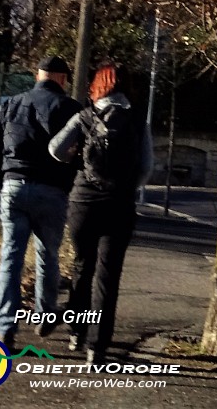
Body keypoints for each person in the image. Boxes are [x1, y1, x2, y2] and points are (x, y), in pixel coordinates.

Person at [50, 63, 153, 364]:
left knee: (82, 267)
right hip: (119, 204)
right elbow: (147, 167)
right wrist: (125, 186)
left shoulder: (84, 116)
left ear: (97, 86)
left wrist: (75, 159)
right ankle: (97, 346)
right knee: (108, 276)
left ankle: (75, 332)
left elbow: (55, 149)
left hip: (83, 202)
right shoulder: (136, 121)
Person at [0, 54, 80, 350]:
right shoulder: (71, 109)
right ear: (62, 79)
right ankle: (46, 314)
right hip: (52, 192)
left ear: (38, 75)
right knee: (47, 255)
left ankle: (5, 328)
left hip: (14, 187)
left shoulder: (11, 104)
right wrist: (66, 184)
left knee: (10, 258)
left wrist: (4, 180)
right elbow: (81, 155)